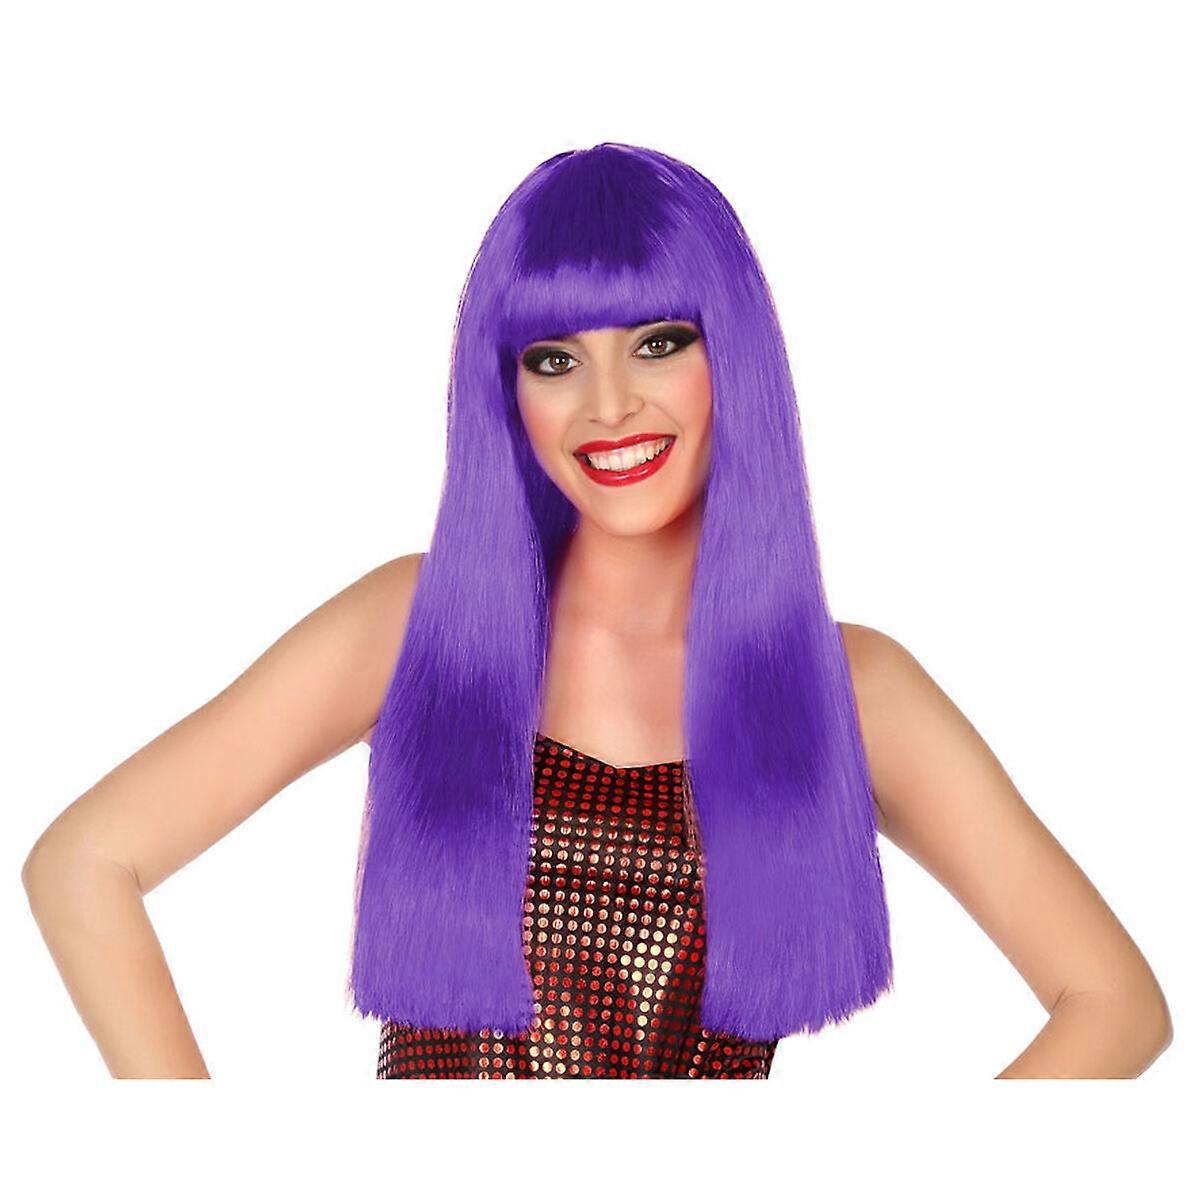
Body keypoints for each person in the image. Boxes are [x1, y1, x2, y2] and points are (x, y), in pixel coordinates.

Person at [22, 143, 1173, 1080]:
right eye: (554, 358)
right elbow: (84, 863)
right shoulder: (421, 627)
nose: (609, 405)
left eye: (659, 344)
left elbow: (1114, 1005)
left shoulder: (851, 689)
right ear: (506, 390)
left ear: (734, 361)